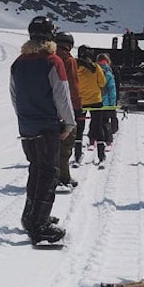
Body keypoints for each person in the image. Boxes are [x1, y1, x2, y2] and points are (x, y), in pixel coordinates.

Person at [10, 16, 74, 245]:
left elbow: (14, 95)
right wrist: (69, 123)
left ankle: (32, 216)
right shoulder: (52, 61)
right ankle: (39, 226)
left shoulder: (19, 61)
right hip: (46, 125)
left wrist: (24, 118)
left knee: (36, 170)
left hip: (27, 126)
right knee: (49, 173)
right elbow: (62, 96)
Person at [52, 31, 83, 190]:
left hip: (49, 108)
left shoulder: (48, 57)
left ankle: (54, 176)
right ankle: (63, 177)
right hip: (66, 107)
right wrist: (78, 107)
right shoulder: (68, 60)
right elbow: (73, 85)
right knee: (66, 145)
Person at [96, 52, 119, 138]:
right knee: (105, 121)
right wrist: (112, 104)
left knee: (96, 121)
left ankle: (94, 139)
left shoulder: (94, 72)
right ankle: (108, 139)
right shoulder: (109, 73)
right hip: (106, 103)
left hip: (95, 101)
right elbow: (112, 90)